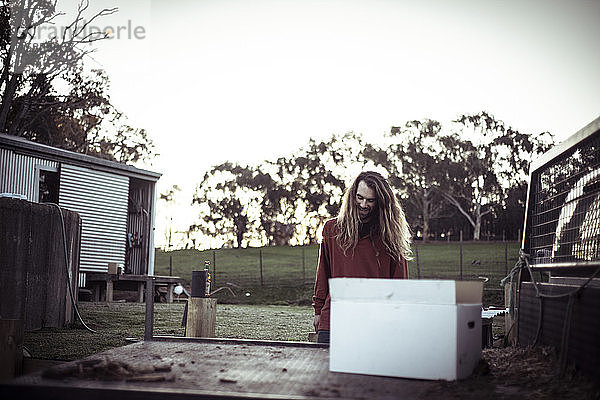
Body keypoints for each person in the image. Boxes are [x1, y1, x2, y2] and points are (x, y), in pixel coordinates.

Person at [312, 171, 412, 344]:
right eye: (360, 198)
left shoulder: (390, 236)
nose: (363, 204)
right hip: (333, 320)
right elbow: (323, 273)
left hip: (374, 322)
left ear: (380, 202)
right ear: (352, 196)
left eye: (370, 200)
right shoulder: (332, 229)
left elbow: (399, 282)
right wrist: (318, 311)